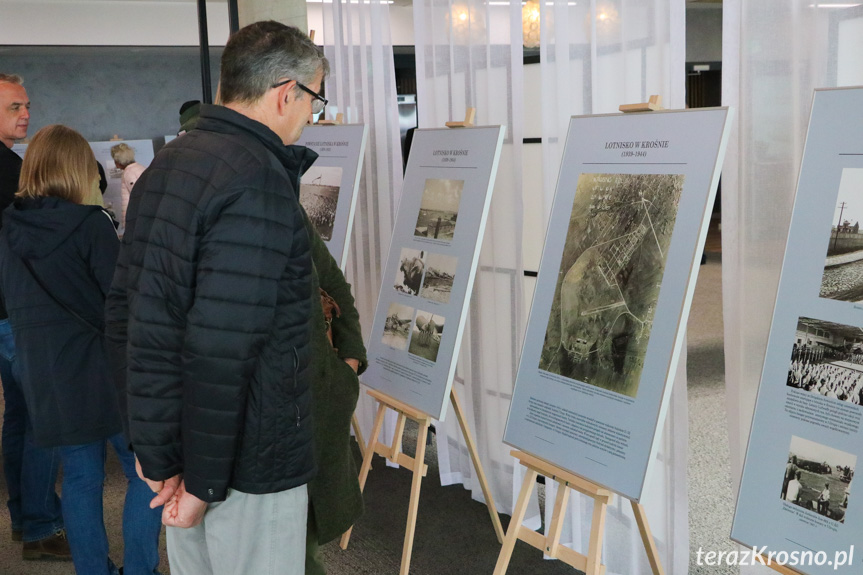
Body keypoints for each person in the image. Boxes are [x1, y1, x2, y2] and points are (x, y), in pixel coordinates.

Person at [106, 21, 330, 574]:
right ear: (287, 93)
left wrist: (158, 455)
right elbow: (220, 348)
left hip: (191, 454)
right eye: (315, 103)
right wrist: (202, 480)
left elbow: (126, 318)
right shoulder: (256, 178)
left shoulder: (168, 166)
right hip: (244, 463)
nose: (310, 118)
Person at [0, 124, 163, 574]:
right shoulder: (91, 224)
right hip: (105, 371)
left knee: (80, 477)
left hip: (46, 373)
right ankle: (141, 569)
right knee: (142, 474)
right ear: (77, 170)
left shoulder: (8, 228)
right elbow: (119, 304)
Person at [0, 72, 69, 561]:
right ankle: (41, 527)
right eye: (12, 107)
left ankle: (26, 520)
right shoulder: (7, 169)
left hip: (6, 311)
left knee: (21, 417)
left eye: (25, 105)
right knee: (44, 418)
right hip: (16, 313)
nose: (25, 113)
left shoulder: (12, 164)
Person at [109, 142, 144, 234]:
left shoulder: (129, 173)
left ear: (119, 161)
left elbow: (138, 194)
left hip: (136, 219)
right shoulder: (140, 168)